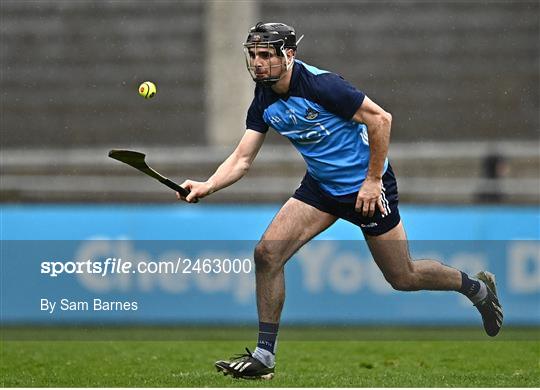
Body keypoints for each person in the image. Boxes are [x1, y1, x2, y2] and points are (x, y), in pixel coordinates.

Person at [177, 22, 503, 380]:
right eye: (253, 55)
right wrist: (207, 185)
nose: (258, 63)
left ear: (289, 55)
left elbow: (381, 119)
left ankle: (477, 289)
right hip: (321, 189)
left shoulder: (321, 85)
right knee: (267, 254)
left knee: (403, 276)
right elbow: (242, 159)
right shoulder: (264, 98)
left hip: (368, 188)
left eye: (266, 55)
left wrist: (372, 179)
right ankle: (264, 357)